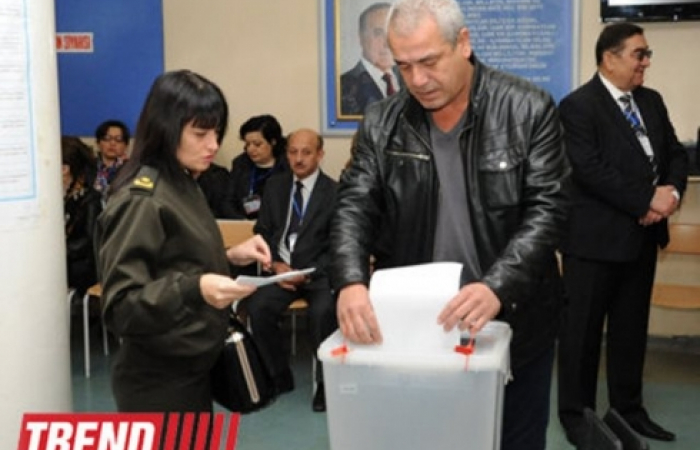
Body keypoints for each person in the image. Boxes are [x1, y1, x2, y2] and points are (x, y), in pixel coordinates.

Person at [330, 1, 570, 450]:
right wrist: (349, 280)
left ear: (463, 43)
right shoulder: (383, 122)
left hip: (514, 318)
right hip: (421, 324)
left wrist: (498, 286)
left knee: (515, 438)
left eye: (429, 62)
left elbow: (549, 209)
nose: (417, 80)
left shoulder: (527, 108)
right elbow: (353, 205)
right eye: (403, 66)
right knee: (427, 437)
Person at [95, 70, 272, 413]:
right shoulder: (142, 199)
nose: (213, 145)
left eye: (217, 133)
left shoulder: (183, 181)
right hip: (159, 381)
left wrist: (229, 256)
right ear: (165, 129)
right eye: (200, 133)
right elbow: (121, 306)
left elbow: (173, 258)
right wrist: (196, 289)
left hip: (191, 368)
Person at [557, 22, 688, 445]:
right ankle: (576, 416)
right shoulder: (579, 106)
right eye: (639, 54)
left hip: (642, 239)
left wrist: (670, 194)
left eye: (647, 54)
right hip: (594, 242)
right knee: (583, 335)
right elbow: (591, 171)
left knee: (631, 332)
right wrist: (646, 200)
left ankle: (629, 411)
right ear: (609, 58)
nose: (646, 62)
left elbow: (674, 153)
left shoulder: (650, 100)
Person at [243, 128, 337, 412]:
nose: (298, 158)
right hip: (279, 269)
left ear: (320, 154)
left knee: (323, 313)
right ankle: (278, 376)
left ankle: (325, 384)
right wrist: (273, 264)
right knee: (258, 308)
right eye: (293, 151)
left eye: (306, 152)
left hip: (317, 274)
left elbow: (337, 246)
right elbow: (263, 230)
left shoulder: (334, 192)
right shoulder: (276, 186)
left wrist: (308, 272)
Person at [221, 114, 289, 219]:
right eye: (247, 144)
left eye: (257, 144)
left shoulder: (287, 166)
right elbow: (228, 202)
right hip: (245, 225)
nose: (251, 149)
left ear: (273, 142)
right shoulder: (240, 164)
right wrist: (243, 222)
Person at [340, 2, 402, 116]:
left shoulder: (411, 82)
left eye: (393, 33)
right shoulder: (344, 87)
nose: (386, 43)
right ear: (361, 37)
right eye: (378, 33)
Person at [62, 136, 102, 295]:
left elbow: (89, 240)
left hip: (81, 273)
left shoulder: (90, 199)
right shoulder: (62, 198)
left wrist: (59, 251)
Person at [93, 119, 130, 200]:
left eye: (118, 139)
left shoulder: (131, 169)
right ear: (98, 143)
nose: (112, 143)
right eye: (107, 138)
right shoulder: (88, 165)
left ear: (126, 145)